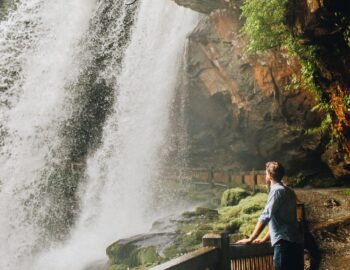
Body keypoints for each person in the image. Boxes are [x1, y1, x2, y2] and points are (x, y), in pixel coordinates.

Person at [237, 161, 304, 270]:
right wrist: (264, 239)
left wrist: (251, 238)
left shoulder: (276, 191)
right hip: (295, 243)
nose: (265, 176)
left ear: (270, 176)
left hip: (283, 245)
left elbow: (266, 215)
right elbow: (280, 220)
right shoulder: (288, 191)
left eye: (266, 173)